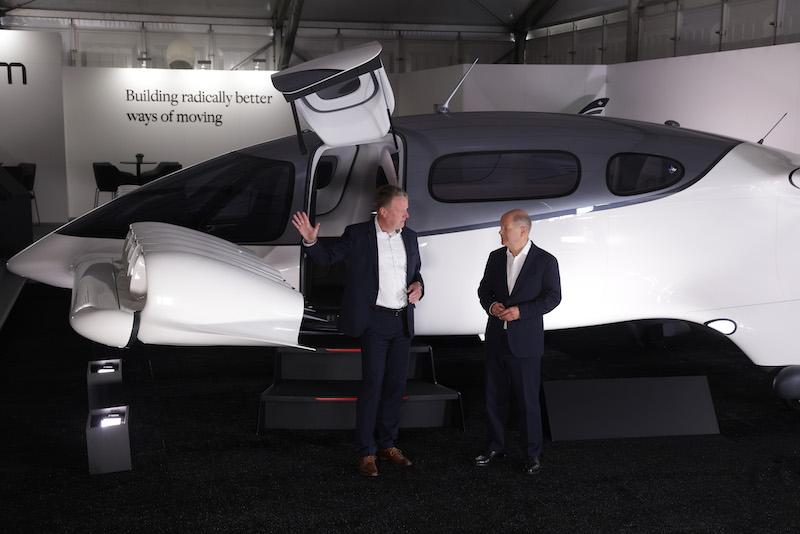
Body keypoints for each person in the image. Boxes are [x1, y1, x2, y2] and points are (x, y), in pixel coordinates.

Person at [291, 185, 424, 477]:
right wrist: (312, 242)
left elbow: (416, 274)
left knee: (395, 387)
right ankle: (366, 452)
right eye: (402, 210)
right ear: (385, 212)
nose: (407, 215)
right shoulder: (357, 234)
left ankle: (388, 445)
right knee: (373, 386)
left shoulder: (410, 238)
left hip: (402, 323)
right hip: (373, 323)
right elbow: (327, 259)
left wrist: (419, 287)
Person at [475, 209, 561, 475]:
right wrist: (492, 306)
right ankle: (495, 446)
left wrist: (522, 312)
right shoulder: (495, 257)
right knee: (493, 397)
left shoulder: (546, 261)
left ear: (523, 231)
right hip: (496, 340)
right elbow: (483, 290)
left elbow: (553, 297)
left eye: (504, 228)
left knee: (527, 401)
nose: (500, 232)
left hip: (525, 343)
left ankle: (532, 454)